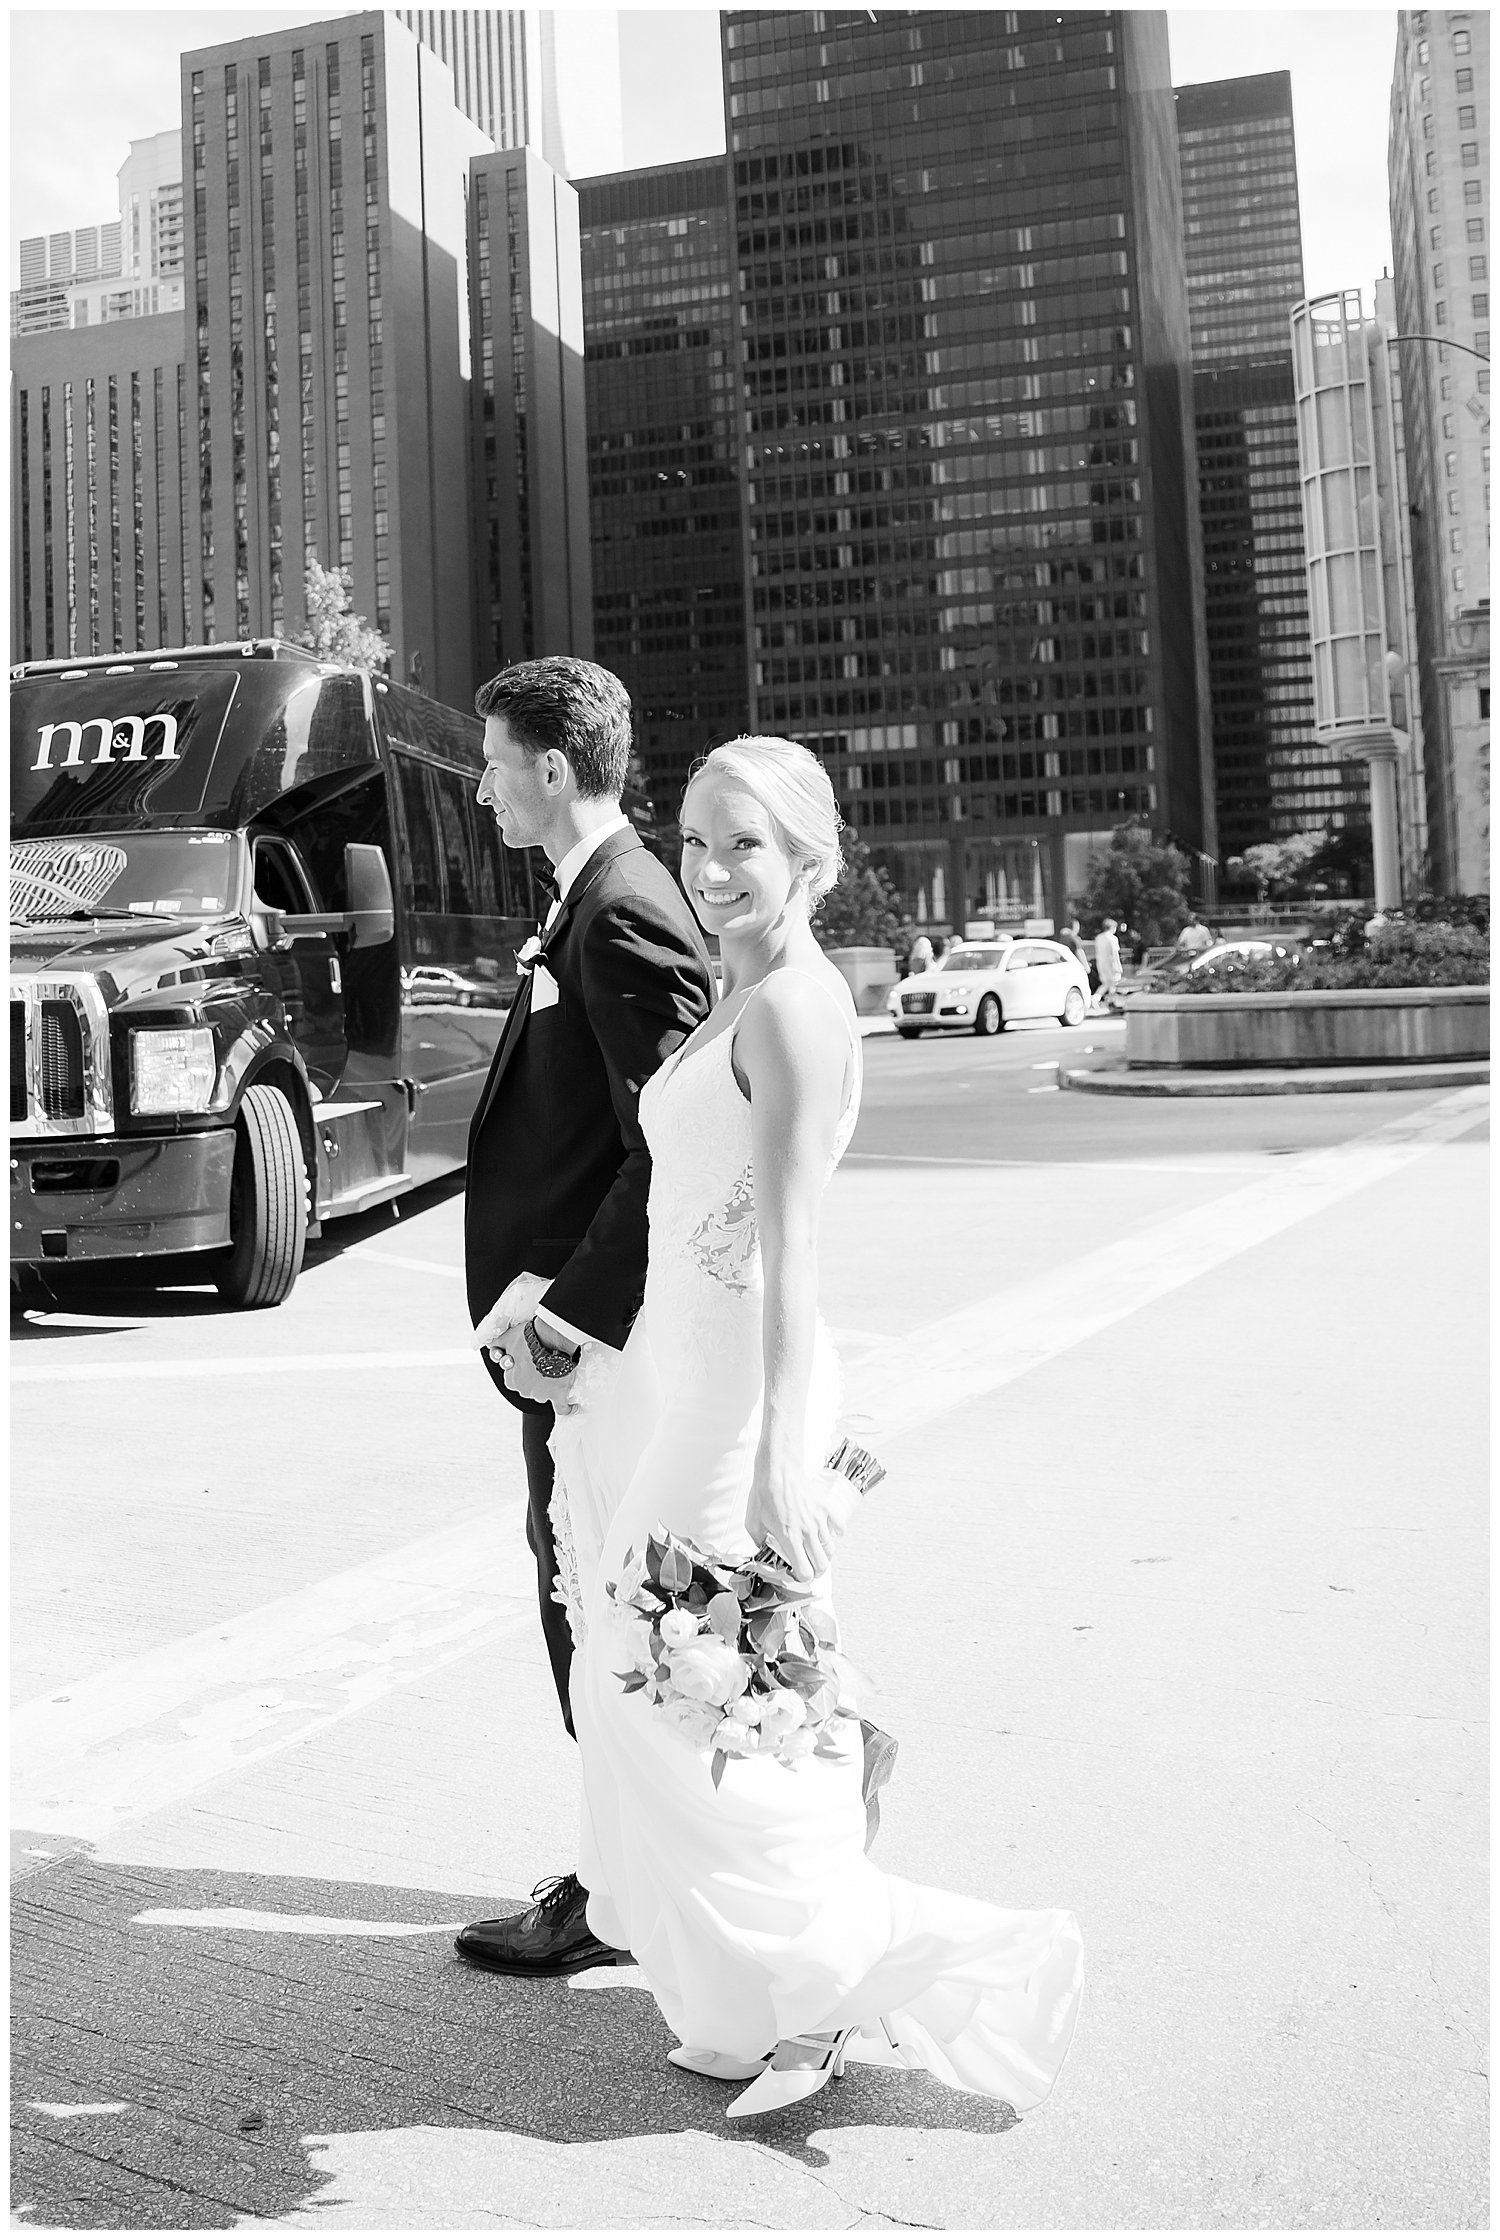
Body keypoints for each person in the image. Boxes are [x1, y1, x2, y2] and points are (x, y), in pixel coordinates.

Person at [554, 736, 1084, 2121]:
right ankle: (754, 1998)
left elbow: (793, 1251)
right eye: (697, 839)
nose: (714, 868)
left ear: (810, 861)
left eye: (746, 844)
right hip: (697, 1385)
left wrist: (788, 1450)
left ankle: (841, 1980)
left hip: (744, 1410)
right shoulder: (742, 997)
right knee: (682, 1693)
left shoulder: (795, 1007)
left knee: (679, 1686)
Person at [459, 656, 716, 1979]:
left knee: (605, 1600)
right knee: (587, 1591)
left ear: (552, 770)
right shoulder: (586, 902)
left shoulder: (620, 913)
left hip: (592, 1349)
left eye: (496, 763)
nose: (484, 786)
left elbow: (673, 1144)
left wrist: (570, 1316)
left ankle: (627, 1885)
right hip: (561, 1339)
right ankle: (624, 1864)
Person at [1092, 917, 1122, 1010]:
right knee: (1114, 982)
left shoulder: (1098, 938)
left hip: (1101, 963)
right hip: (1111, 964)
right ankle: (1110, 1001)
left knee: (1105, 983)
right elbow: (1114, 953)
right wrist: (1118, 966)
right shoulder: (1112, 938)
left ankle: (1097, 997)